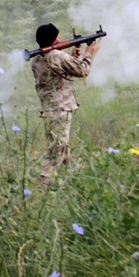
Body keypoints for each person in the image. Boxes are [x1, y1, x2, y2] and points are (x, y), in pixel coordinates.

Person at [31, 23, 99, 186]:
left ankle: (70, 182)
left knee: (62, 147)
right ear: (53, 39)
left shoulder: (36, 59)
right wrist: (88, 53)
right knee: (57, 151)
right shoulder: (58, 56)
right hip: (61, 108)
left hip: (49, 109)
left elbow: (58, 72)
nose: (60, 38)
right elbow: (83, 71)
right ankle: (42, 186)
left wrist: (72, 57)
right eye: (58, 36)